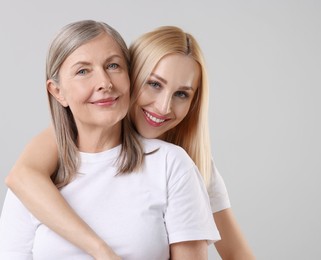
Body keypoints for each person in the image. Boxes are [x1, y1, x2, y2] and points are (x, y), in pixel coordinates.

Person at [4, 25, 255, 259]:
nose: (163, 107)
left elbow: (237, 254)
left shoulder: (183, 163)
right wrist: (103, 251)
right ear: (134, 77)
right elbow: (22, 176)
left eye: (181, 94)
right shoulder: (50, 157)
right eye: (154, 84)